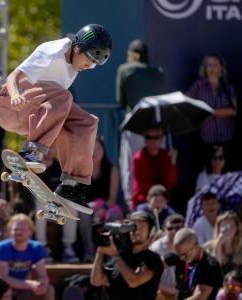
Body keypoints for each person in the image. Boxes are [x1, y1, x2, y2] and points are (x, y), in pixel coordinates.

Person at [0, 24, 112, 213]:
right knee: (65, 96)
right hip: (11, 106)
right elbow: (13, 76)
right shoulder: (52, 51)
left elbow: (56, 111)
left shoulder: (76, 63)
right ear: (77, 48)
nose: (86, 68)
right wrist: (15, 96)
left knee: (86, 122)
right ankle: (31, 151)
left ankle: (72, 185)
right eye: (86, 63)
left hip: (35, 110)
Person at [116, 39, 165, 206]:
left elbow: (121, 100)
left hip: (134, 122)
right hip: (155, 122)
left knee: (130, 166)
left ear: (132, 54)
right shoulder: (158, 72)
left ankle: (132, 204)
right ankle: (159, 201)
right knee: (157, 165)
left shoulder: (125, 69)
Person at [90, 211, 164, 299]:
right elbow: (96, 281)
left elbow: (133, 281)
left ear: (150, 232)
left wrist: (116, 255)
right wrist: (100, 252)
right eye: (133, 225)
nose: (136, 230)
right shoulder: (119, 255)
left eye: (142, 226)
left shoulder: (153, 259)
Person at [186, 53, 237, 167]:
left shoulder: (227, 87)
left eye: (215, 65)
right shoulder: (198, 86)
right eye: (209, 65)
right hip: (206, 140)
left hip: (227, 139)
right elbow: (187, 103)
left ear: (221, 68)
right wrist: (200, 115)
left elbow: (234, 110)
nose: (212, 68)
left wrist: (210, 112)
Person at [0, 214, 55, 300]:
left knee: (49, 289)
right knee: (5, 293)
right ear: (10, 231)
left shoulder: (36, 247)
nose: (19, 232)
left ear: (30, 232)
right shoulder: (2, 247)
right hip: (2, 288)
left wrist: (42, 284)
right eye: (15, 229)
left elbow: (43, 274)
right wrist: (31, 284)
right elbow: (4, 278)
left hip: (23, 287)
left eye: (23, 229)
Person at [78, 137, 122, 262]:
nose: (95, 152)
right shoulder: (82, 169)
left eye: (98, 148)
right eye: (92, 149)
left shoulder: (112, 169)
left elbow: (113, 198)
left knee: (113, 215)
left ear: (103, 150)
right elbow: (79, 195)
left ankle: (111, 253)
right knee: (83, 213)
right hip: (88, 206)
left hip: (108, 206)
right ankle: (89, 252)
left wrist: (103, 208)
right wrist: (90, 207)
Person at [32, 147, 79, 262]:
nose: (48, 152)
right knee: (40, 200)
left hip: (57, 208)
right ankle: (41, 246)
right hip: (36, 209)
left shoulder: (61, 168)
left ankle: (68, 247)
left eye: (52, 148)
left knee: (72, 204)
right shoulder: (31, 167)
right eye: (45, 148)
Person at [167, 228, 223, 300]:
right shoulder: (181, 254)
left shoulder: (210, 266)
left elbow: (199, 297)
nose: (181, 258)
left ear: (196, 246)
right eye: (179, 254)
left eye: (185, 255)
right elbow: (158, 263)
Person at [131, 124, 178, 209]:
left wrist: (173, 163)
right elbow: (144, 186)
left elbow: (171, 183)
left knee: (174, 218)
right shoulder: (138, 158)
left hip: (163, 201)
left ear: (161, 139)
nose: (152, 141)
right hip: (144, 201)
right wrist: (156, 200)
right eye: (148, 137)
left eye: (156, 137)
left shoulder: (166, 157)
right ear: (145, 140)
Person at [203, 212, 242, 284]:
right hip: (216, 287)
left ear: (237, 229)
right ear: (218, 228)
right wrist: (218, 246)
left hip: (238, 287)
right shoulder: (207, 248)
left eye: (231, 227)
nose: (227, 230)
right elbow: (212, 272)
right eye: (224, 226)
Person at [149, 213, 185, 300]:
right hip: (161, 293)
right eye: (170, 228)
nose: (174, 231)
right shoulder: (156, 248)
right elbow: (150, 276)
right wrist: (172, 291)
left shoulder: (190, 245)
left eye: (177, 228)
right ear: (165, 229)